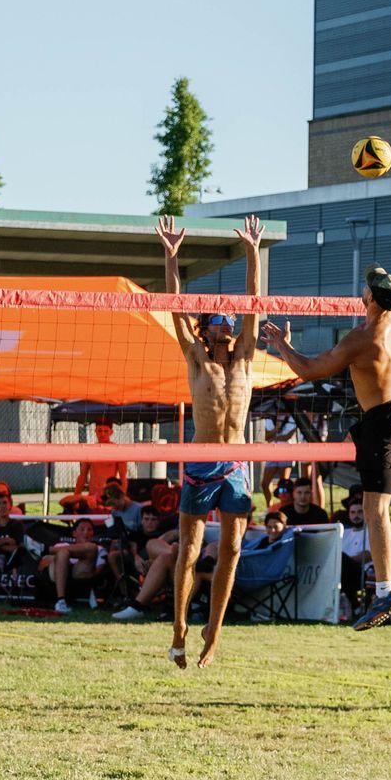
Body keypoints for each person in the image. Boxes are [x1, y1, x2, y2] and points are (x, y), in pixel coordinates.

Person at [260, 226, 391, 630]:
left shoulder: (360, 338)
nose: (363, 289)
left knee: (376, 508)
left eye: (366, 287)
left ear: (371, 298)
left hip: (383, 423)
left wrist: (282, 345)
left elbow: (310, 369)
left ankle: (385, 592)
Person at [157, 214, 267, 667]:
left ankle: (214, 631)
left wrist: (252, 252)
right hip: (202, 462)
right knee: (188, 550)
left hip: (237, 464)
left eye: (229, 319)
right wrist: (171, 256)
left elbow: (254, 303)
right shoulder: (197, 360)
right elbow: (174, 306)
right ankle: (179, 628)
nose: (227, 323)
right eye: (218, 319)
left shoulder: (245, 357)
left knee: (233, 549)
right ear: (206, 328)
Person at [37, 518, 103, 612]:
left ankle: (45, 549)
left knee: (91, 547)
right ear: (74, 533)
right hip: (57, 575)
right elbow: (41, 567)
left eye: (89, 530)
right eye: (82, 529)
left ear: (93, 533)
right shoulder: (61, 545)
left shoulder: (99, 549)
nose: (86, 533)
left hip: (81, 574)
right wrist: (62, 562)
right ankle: (61, 602)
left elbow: (98, 571)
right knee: (63, 553)